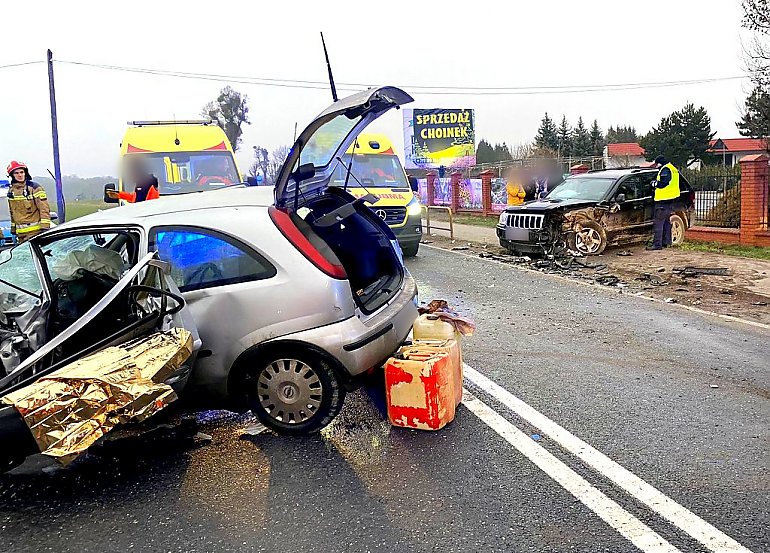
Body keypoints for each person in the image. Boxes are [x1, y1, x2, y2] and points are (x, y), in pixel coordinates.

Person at [6, 161, 51, 243]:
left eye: (22, 172)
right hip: (21, 236)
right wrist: (13, 230)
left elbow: (44, 209)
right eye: (16, 173)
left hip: (35, 234)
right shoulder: (11, 191)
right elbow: (13, 212)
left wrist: (45, 228)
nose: (20, 175)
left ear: (25, 173)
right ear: (12, 175)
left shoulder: (35, 188)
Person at [648, 154, 680, 250]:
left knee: (658, 223)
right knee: (666, 222)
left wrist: (654, 183)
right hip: (671, 200)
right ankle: (666, 242)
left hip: (663, 201)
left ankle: (657, 245)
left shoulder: (665, 170)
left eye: (657, 163)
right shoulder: (673, 168)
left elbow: (663, 183)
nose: (656, 165)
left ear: (660, 163)